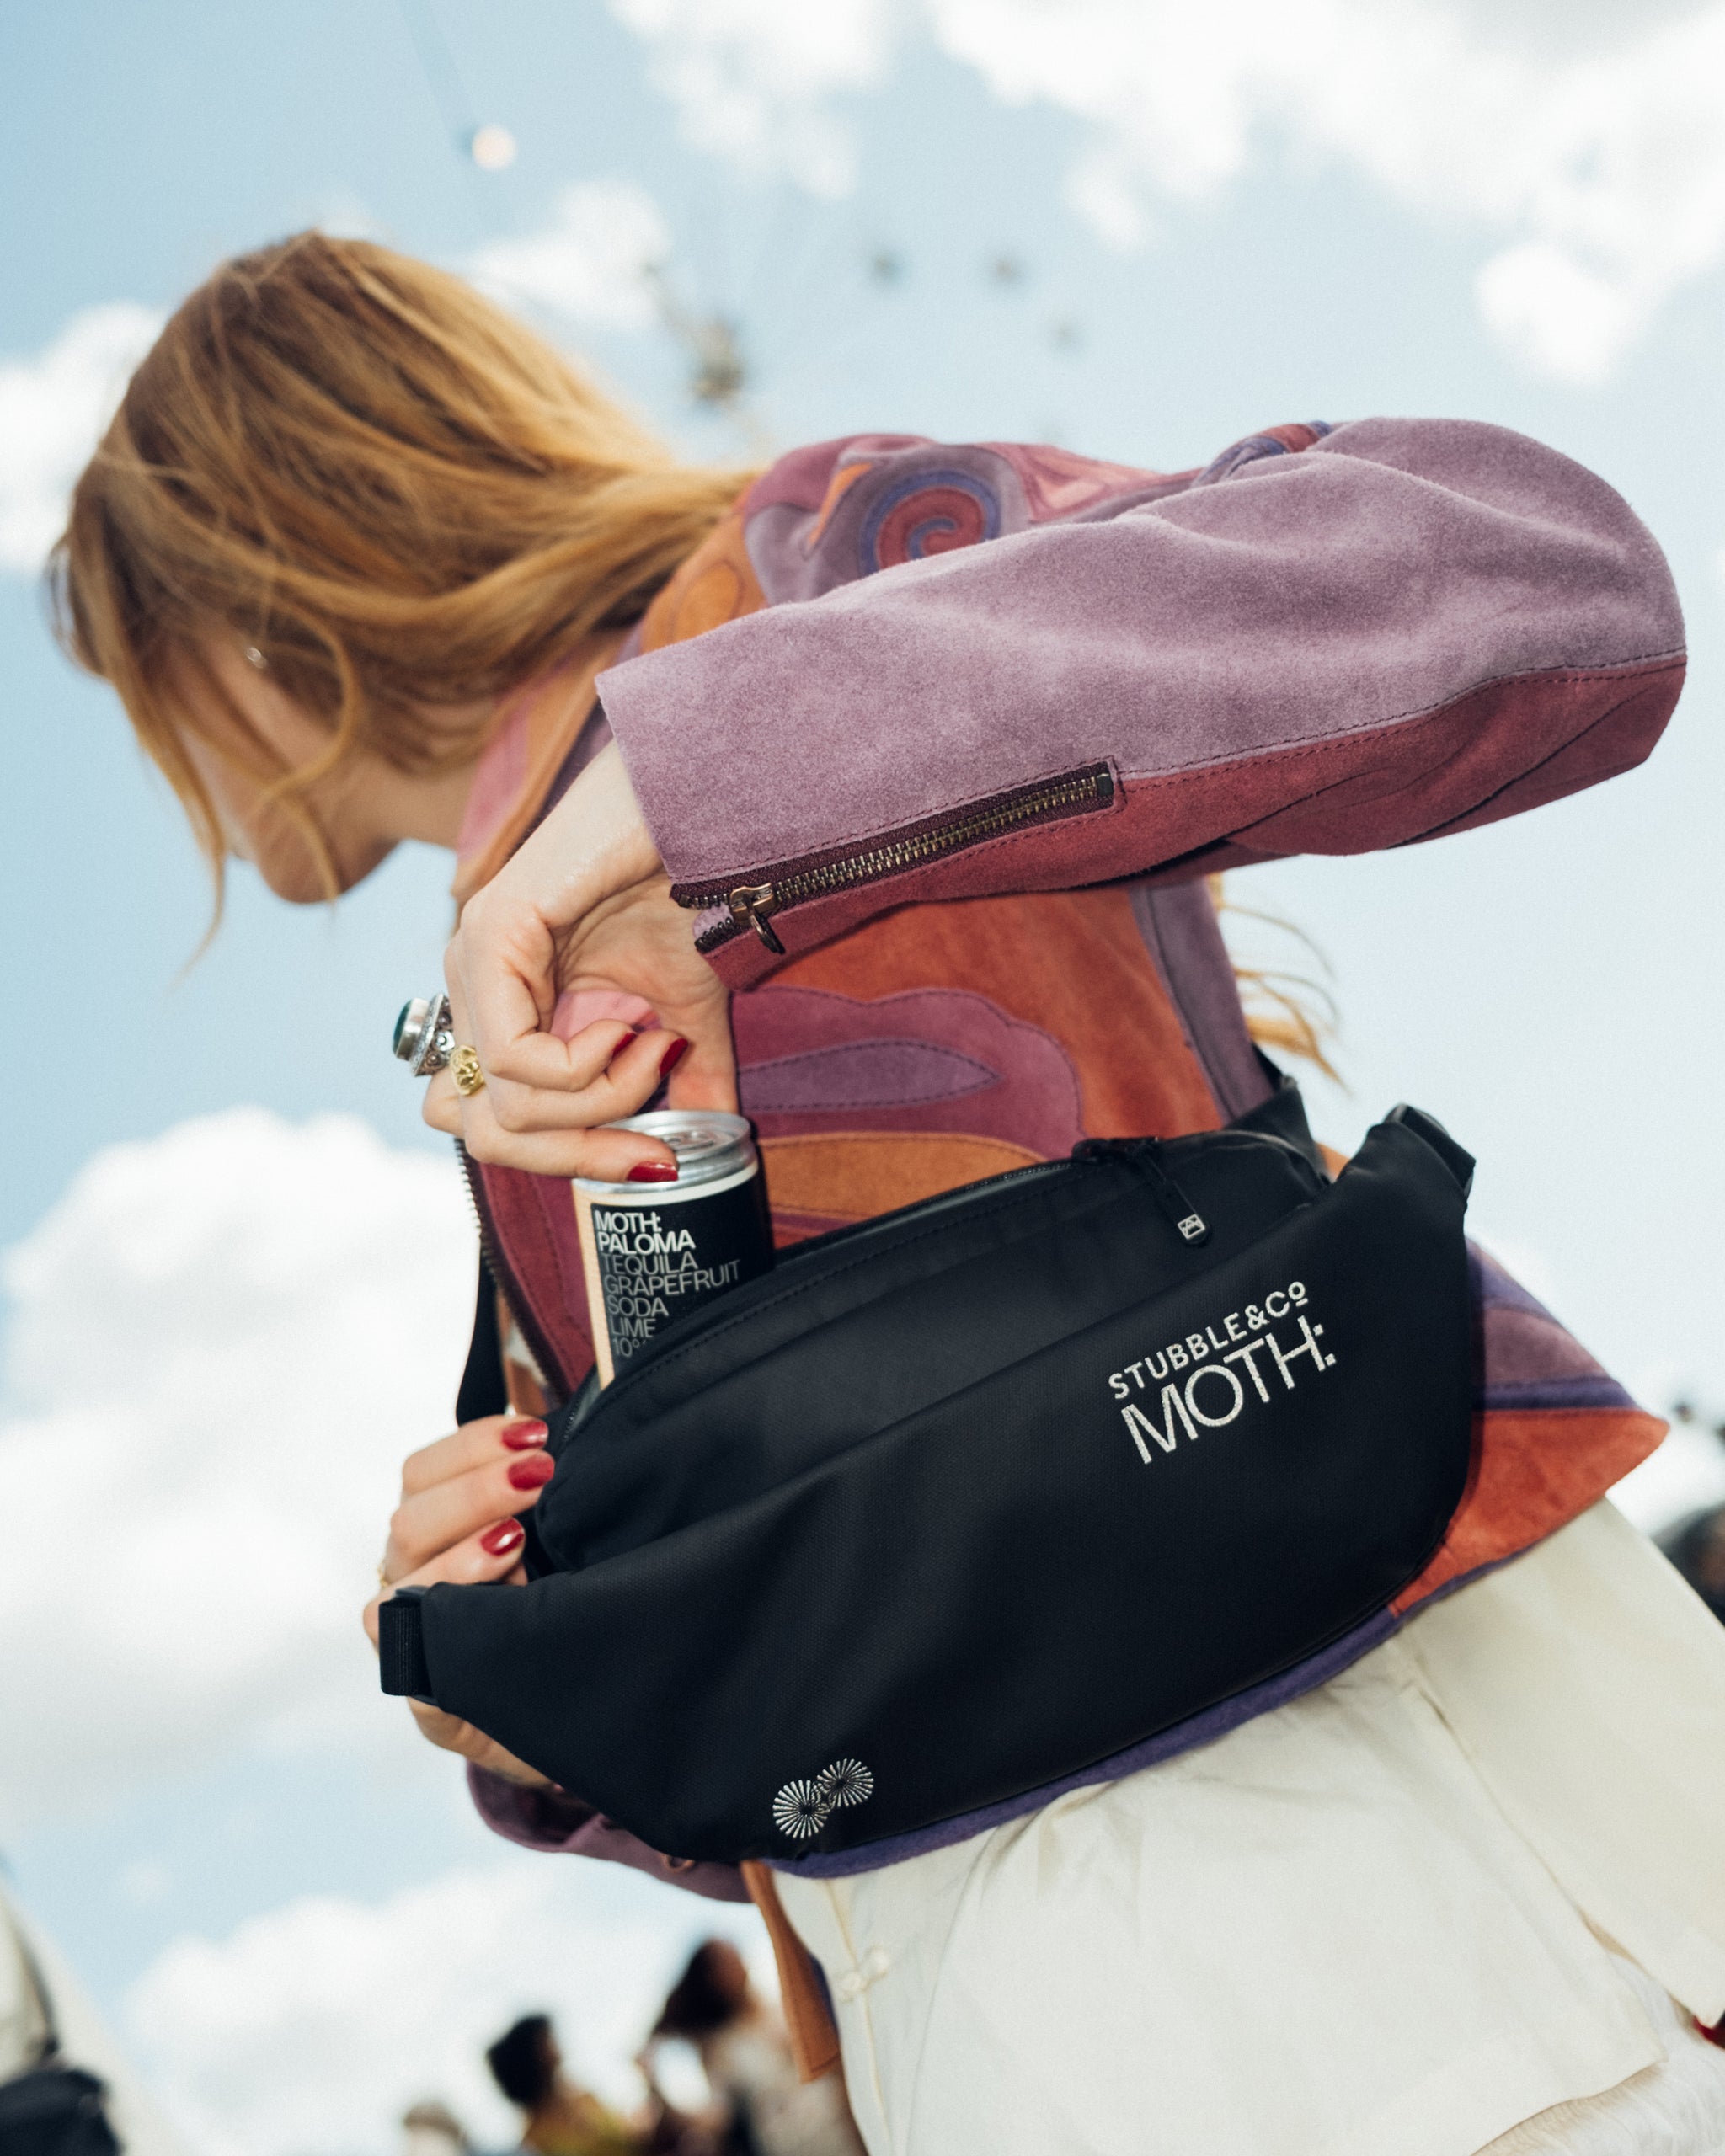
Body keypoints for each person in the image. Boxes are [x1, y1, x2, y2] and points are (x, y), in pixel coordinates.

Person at [53, 231, 1725, 2154]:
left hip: (1398, 1872)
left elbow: (1535, 579)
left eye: (141, 667)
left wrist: (713, 791)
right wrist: (527, 1673)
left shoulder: (787, 574)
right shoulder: (452, 1016)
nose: (166, 757)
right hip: (1020, 1991)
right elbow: (836, 1618)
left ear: (251, 604)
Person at [642, 1943, 862, 2156]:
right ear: (712, 1977)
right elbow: (715, 2120)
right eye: (729, 1960)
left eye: (737, 1956)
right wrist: (655, 2088)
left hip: (844, 2125)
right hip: (795, 2143)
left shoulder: (781, 2007)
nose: (741, 1964)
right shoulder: (720, 2049)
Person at [484, 2014, 635, 2156]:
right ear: (531, 2058)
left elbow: (630, 2135)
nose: (554, 2043)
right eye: (545, 2041)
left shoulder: (583, 2098)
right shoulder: (534, 2139)